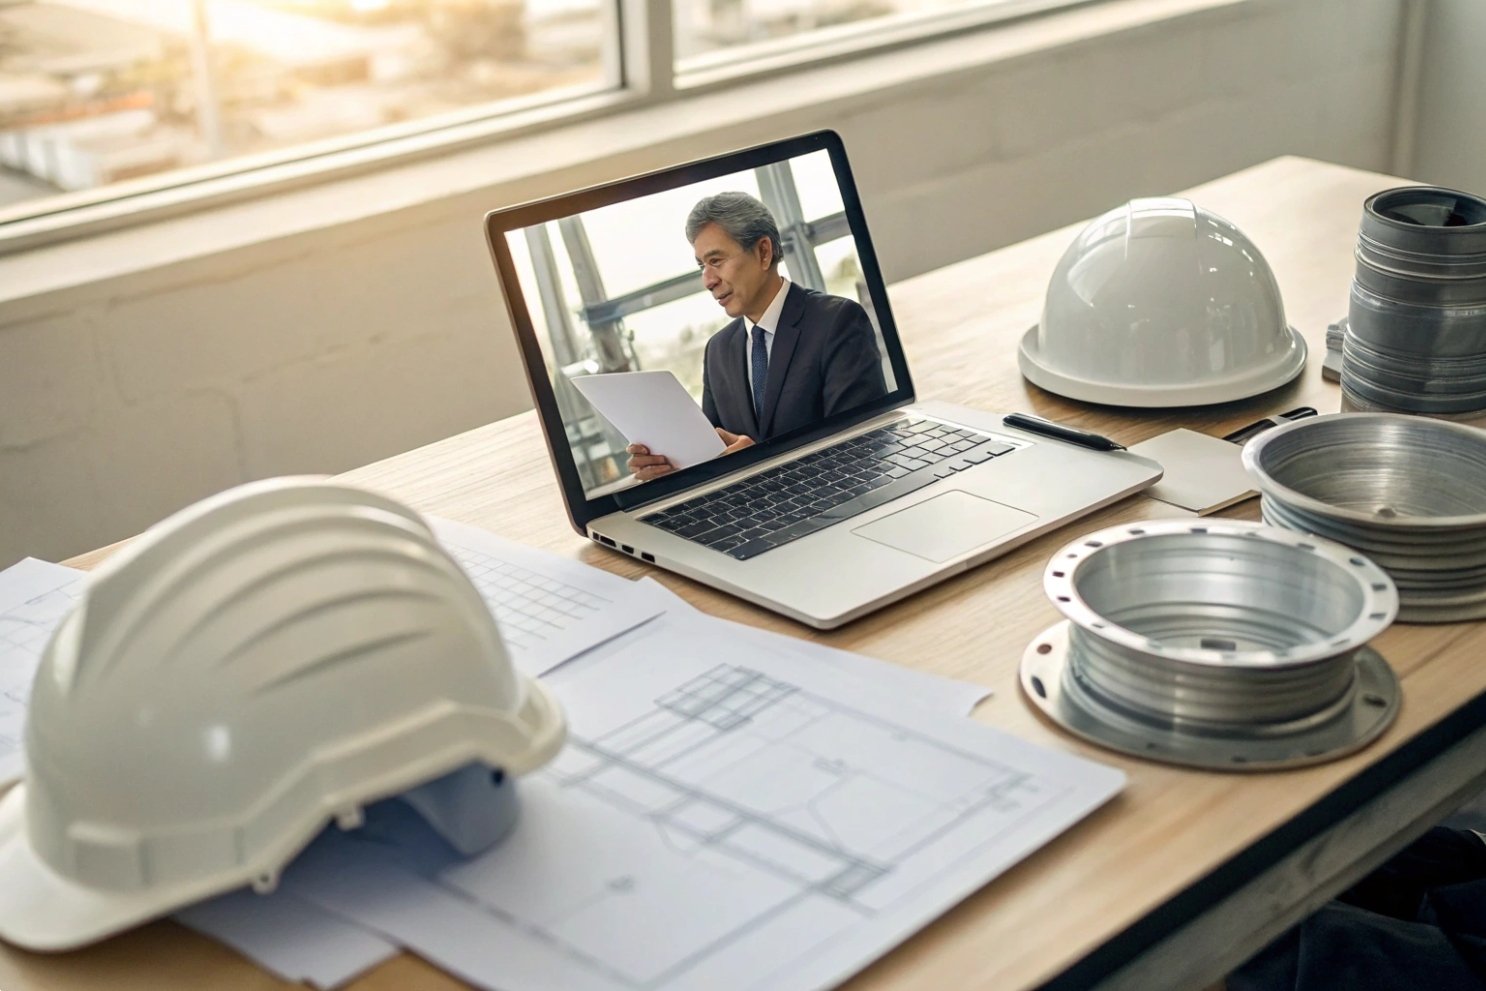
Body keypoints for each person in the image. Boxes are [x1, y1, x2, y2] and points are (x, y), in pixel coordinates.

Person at [627, 191, 888, 481]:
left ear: (763, 252)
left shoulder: (837, 321)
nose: (708, 280)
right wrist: (672, 467)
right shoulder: (718, 350)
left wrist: (760, 464)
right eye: (702, 265)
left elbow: (863, 453)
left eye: (716, 260)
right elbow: (713, 458)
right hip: (753, 520)